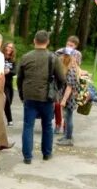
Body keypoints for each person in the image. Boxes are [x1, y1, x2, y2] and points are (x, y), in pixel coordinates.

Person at [16, 30, 66, 164]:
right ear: (47, 42)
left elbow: (19, 78)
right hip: (47, 97)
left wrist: (22, 94)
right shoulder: (53, 58)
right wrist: (56, 91)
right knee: (47, 125)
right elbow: (62, 78)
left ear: (34, 41)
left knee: (28, 126)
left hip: (29, 96)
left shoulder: (25, 57)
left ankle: (27, 157)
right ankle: (46, 153)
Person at [54, 36, 82, 134]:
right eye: (68, 44)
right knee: (59, 106)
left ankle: (67, 132)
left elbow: (76, 68)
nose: (69, 47)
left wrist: (64, 99)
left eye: (71, 45)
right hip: (62, 83)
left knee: (68, 111)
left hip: (70, 85)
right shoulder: (61, 52)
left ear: (75, 46)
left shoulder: (76, 55)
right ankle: (59, 125)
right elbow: (55, 55)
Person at [57, 49, 82, 147]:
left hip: (69, 99)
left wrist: (63, 100)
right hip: (68, 98)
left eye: (63, 56)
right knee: (67, 117)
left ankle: (68, 138)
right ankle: (67, 136)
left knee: (68, 118)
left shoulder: (71, 70)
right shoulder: (69, 68)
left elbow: (69, 87)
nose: (61, 57)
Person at [2, 41, 17, 127]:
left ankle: (2, 113)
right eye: (8, 47)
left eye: (11, 47)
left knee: (9, 101)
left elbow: (15, 71)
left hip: (9, 83)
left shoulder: (12, 60)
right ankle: (10, 120)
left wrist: (8, 71)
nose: (9, 49)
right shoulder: (0, 57)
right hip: (1, 83)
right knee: (6, 100)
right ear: (5, 47)